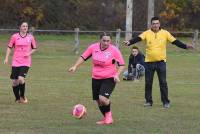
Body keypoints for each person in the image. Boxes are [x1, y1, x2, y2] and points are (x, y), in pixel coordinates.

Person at [124, 17, 193, 108]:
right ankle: (148, 101)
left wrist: (185, 46)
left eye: (157, 23)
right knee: (148, 82)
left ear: (159, 24)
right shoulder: (147, 33)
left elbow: (175, 41)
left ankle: (165, 102)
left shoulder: (165, 33)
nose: (155, 25)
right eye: (153, 23)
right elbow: (138, 38)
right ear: (151, 25)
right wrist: (129, 42)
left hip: (161, 62)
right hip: (149, 63)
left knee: (163, 82)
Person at [68, 32, 125, 125]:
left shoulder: (114, 50)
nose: (106, 43)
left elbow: (122, 65)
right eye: (104, 40)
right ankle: (107, 118)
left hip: (109, 77)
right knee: (98, 101)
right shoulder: (93, 47)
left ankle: (109, 117)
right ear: (100, 40)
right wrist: (75, 66)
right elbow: (83, 57)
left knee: (103, 99)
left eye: (108, 41)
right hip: (95, 78)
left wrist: (117, 75)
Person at [4, 22, 37, 103]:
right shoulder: (14, 37)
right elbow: (9, 48)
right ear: (20, 27)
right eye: (23, 26)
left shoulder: (30, 37)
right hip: (16, 61)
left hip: (26, 62)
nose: (25, 27)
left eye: (26, 26)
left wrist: (28, 53)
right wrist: (6, 58)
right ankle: (17, 98)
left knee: (21, 79)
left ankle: (22, 96)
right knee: (15, 82)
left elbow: (34, 48)